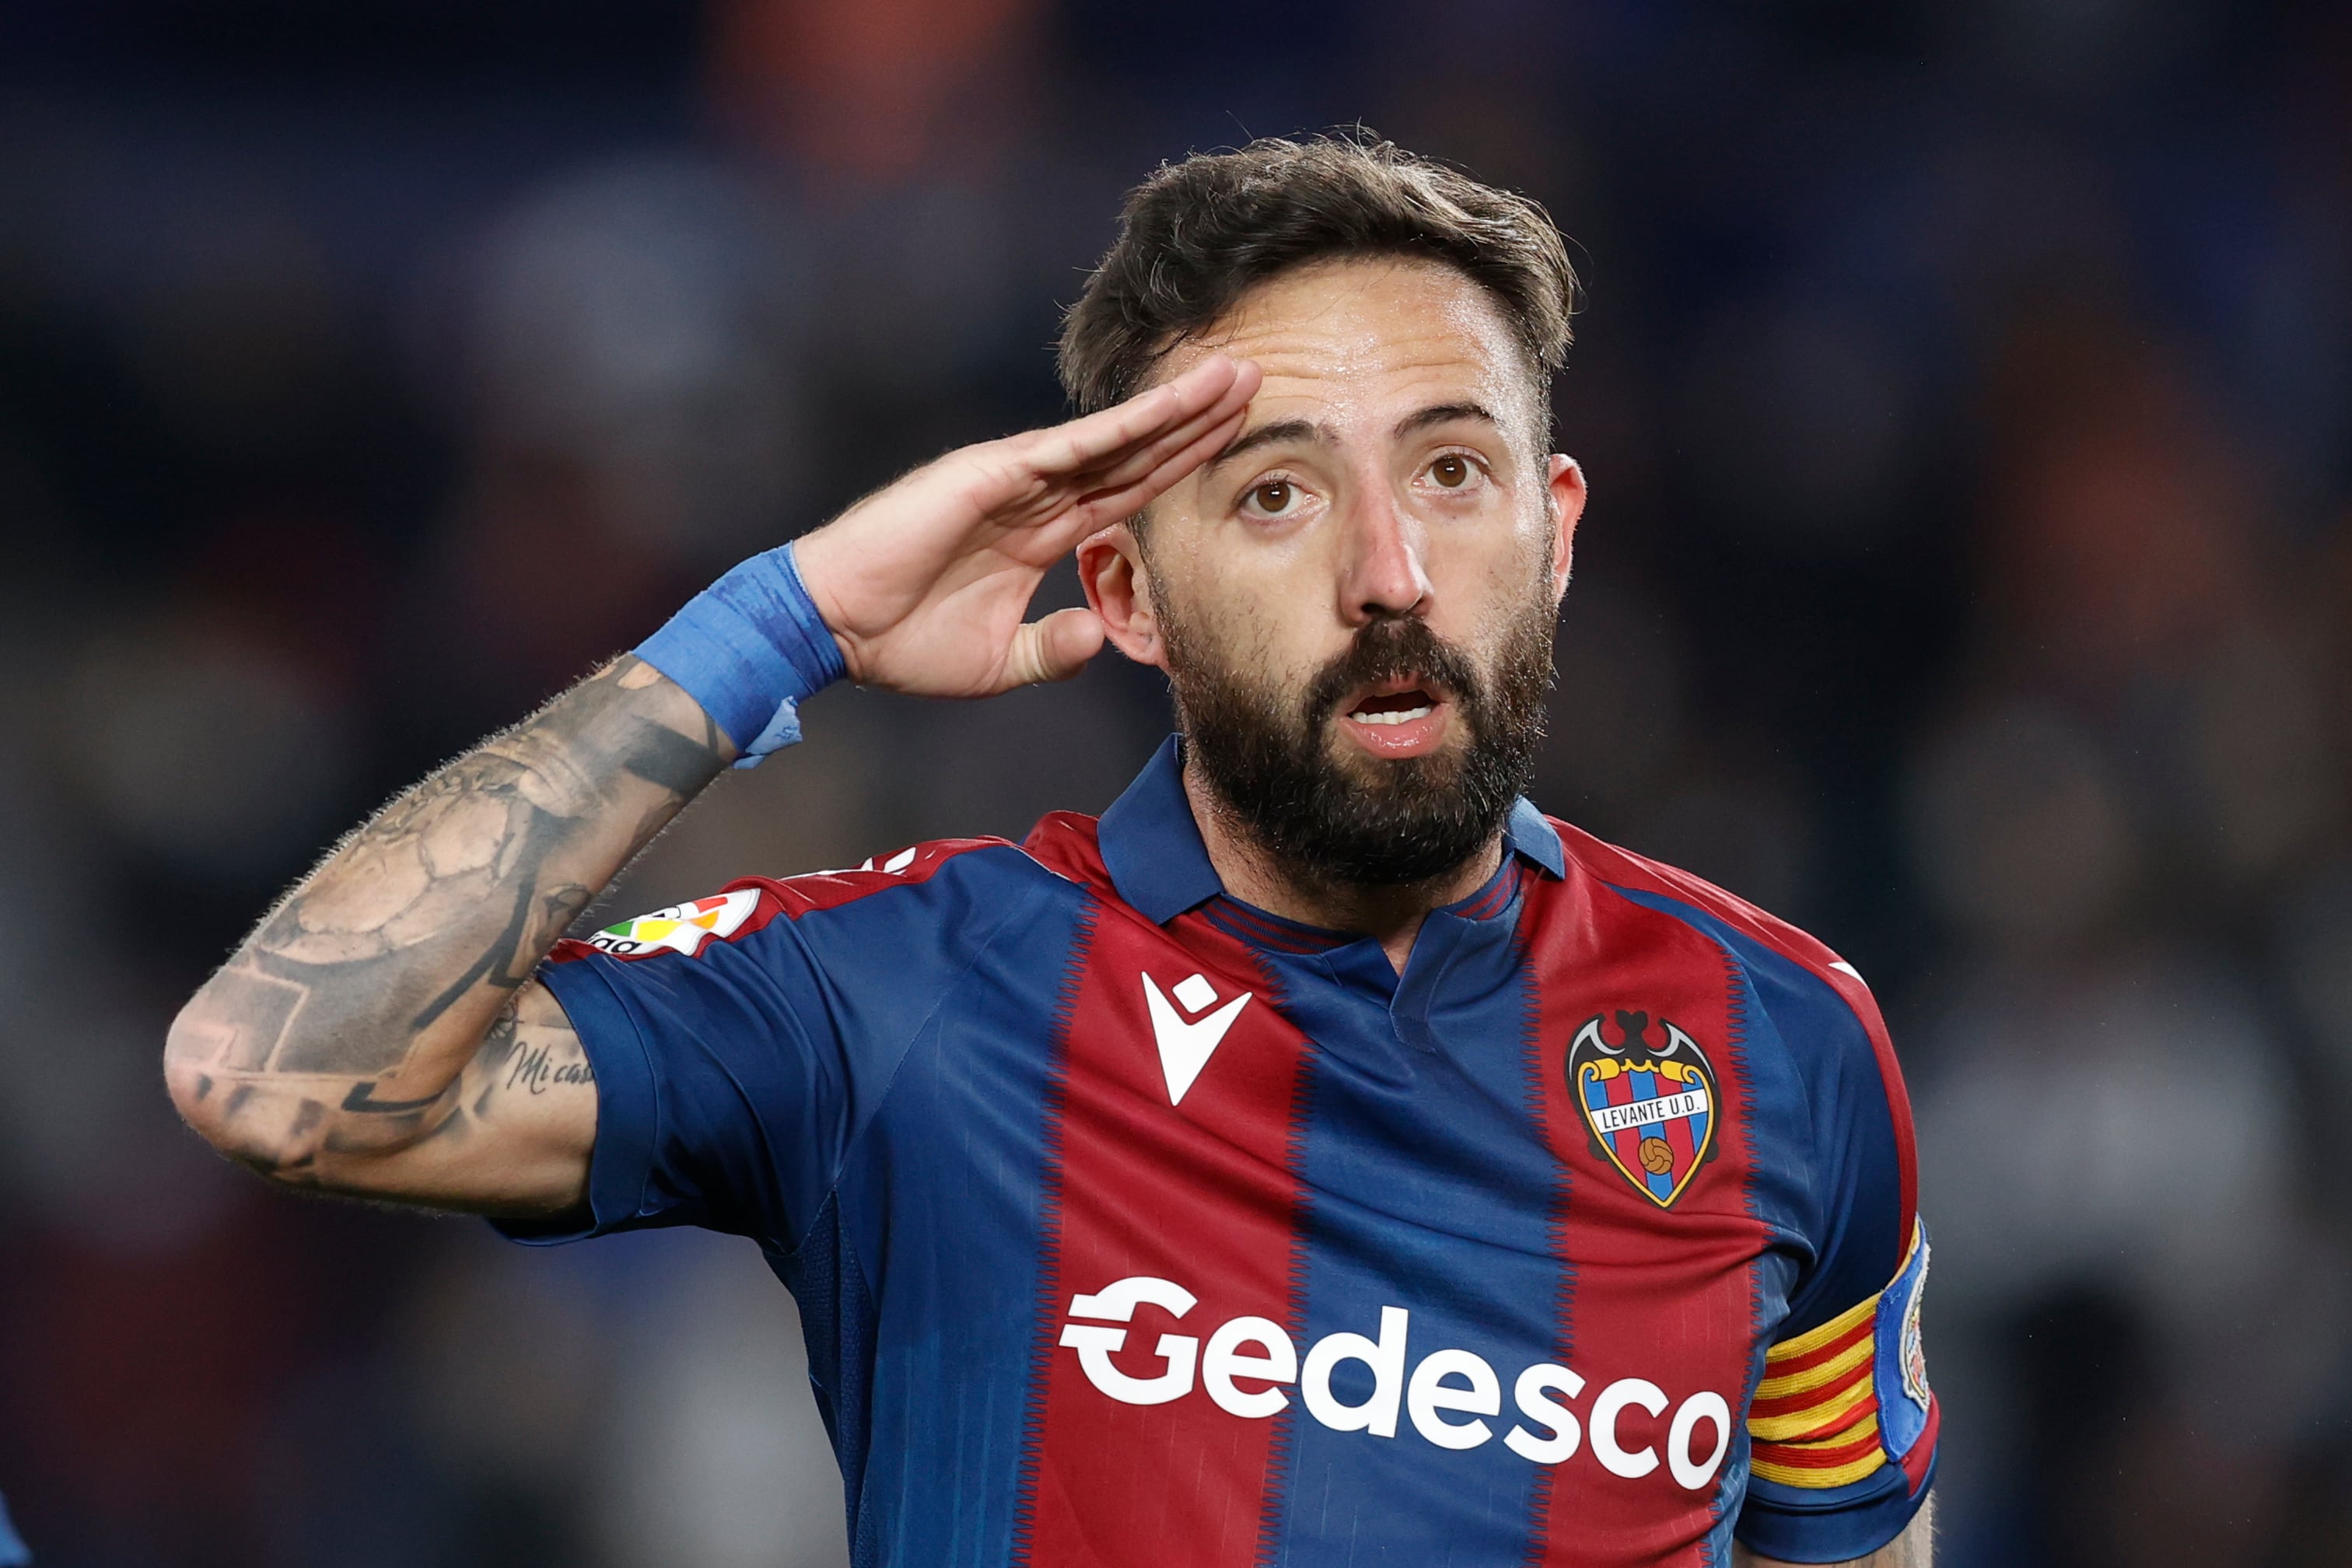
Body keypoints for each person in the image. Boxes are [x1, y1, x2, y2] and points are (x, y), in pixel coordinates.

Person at [166, 135, 1936, 1566]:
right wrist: (783, 620)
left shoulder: (1786, 1044)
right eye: (1276, 492)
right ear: (1124, 590)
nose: (1390, 569)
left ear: (1552, 537)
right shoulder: (916, 991)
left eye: (1455, 471)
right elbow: (276, 1075)